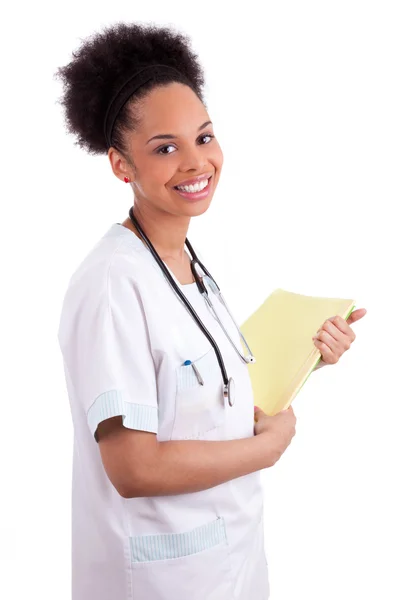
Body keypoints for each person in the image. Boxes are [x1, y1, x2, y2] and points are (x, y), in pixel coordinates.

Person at [56, 22, 297, 600]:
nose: (196, 162)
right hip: (161, 577)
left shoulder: (184, 261)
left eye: (204, 137)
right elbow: (134, 468)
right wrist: (268, 449)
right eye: (166, 148)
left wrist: (307, 352)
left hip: (230, 560)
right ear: (122, 165)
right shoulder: (115, 282)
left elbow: (207, 398)